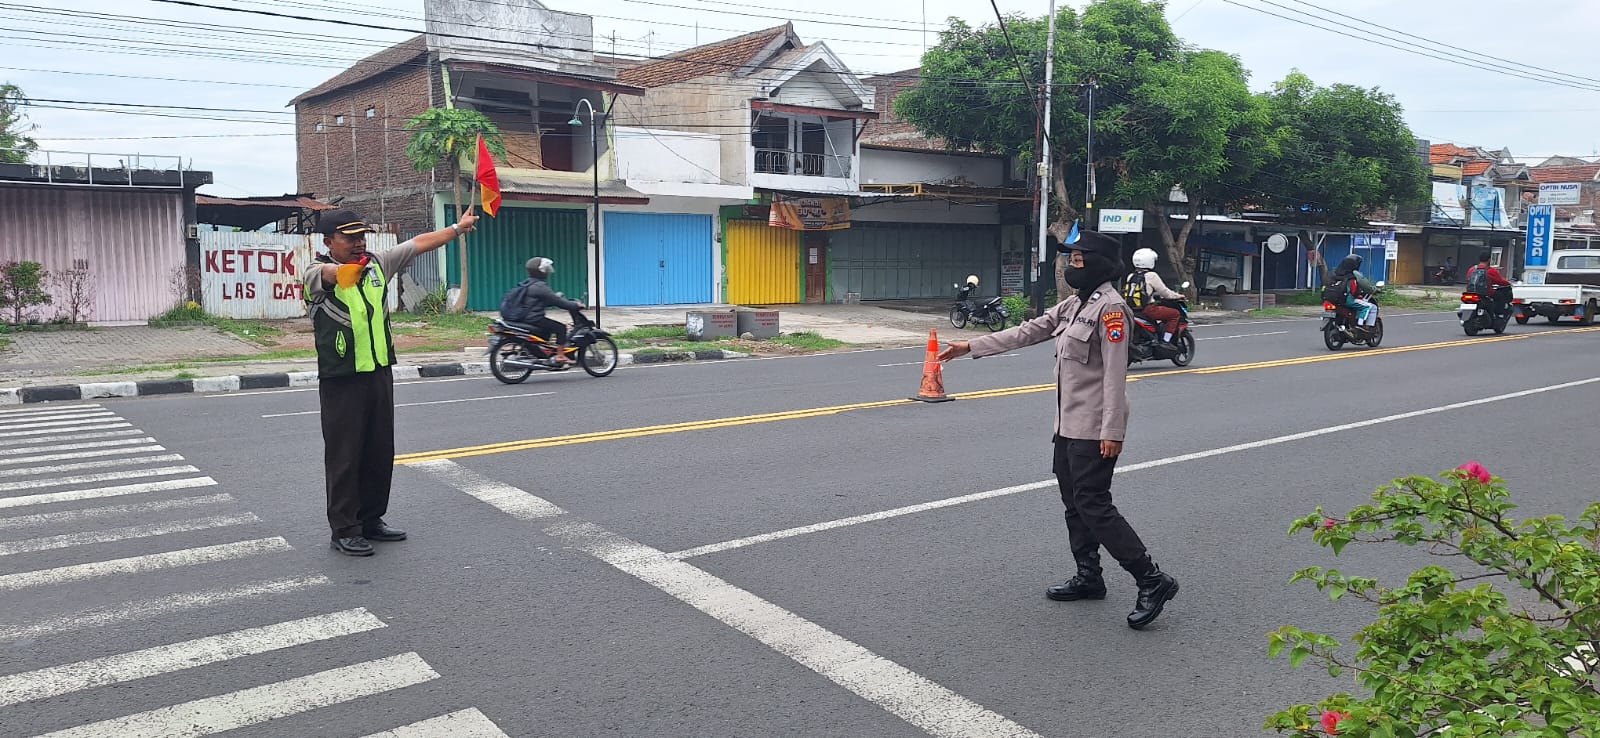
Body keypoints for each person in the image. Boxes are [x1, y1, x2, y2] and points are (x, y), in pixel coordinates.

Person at [938, 230, 1180, 630]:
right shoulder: (1074, 304)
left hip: (1094, 427)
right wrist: (972, 346)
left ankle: (1152, 579)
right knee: (1074, 502)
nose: (1071, 266)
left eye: (1079, 260)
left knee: (1094, 504)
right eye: (1071, 260)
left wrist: (1113, 431)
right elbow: (1029, 330)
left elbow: (1115, 378)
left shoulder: (1112, 310)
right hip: (1067, 424)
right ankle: (1089, 576)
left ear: (1099, 264)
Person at [304, 206, 479, 556]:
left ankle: (371, 520)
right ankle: (344, 529)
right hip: (342, 379)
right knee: (345, 455)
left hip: (379, 373)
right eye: (349, 238)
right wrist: (345, 268)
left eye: (361, 236)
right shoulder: (314, 272)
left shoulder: (377, 265)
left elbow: (417, 244)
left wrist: (457, 229)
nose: (358, 243)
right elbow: (329, 275)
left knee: (379, 451)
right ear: (328, 241)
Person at [500, 257, 586, 364]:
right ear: (541, 272)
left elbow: (540, 301)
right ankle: (560, 355)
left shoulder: (528, 283)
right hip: (534, 318)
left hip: (526, 317)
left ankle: (542, 353)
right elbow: (559, 302)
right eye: (546, 269)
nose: (548, 272)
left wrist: (555, 300)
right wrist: (575, 305)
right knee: (561, 328)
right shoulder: (540, 286)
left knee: (547, 331)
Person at [1123, 248, 1184, 346]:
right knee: (1175, 314)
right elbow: (1165, 292)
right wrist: (1178, 296)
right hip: (1148, 310)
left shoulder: (1130, 276)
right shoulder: (1151, 275)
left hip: (1131, 310)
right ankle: (1166, 341)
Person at [1332, 254, 1378, 330]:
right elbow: (1366, 286)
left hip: (1333, 299)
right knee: (1370, 307)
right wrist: (1374, 290)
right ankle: (1360, 326)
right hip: (1347, 299)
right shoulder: (1355, 274)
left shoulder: (1335, 271)